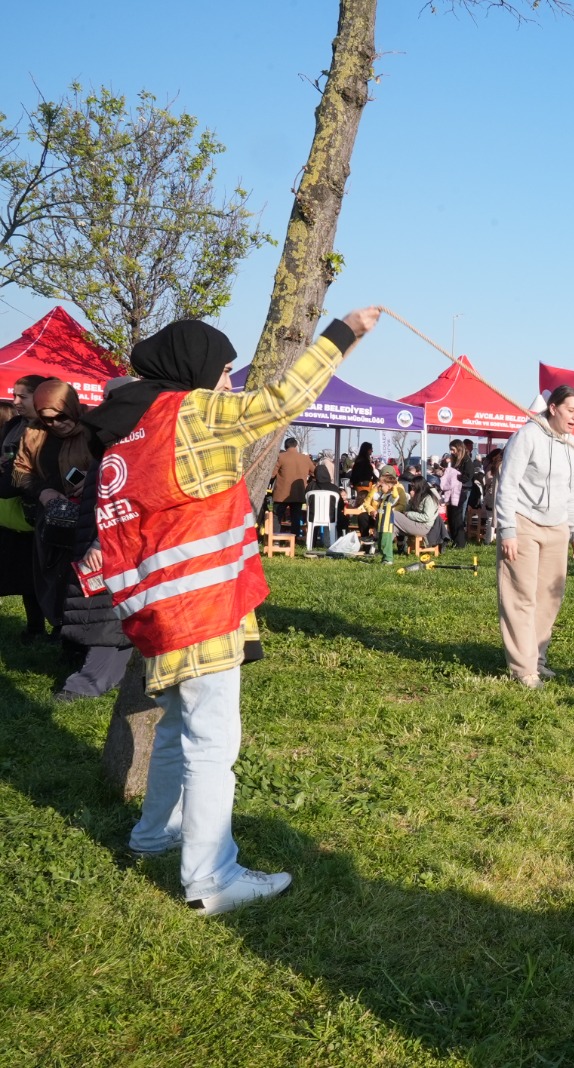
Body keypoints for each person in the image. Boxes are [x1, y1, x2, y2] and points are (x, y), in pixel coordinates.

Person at [82, 307, 382, 916]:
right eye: (223, 371)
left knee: (176, 729)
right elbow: (282, 399)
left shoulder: (131, 429)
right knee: (213, 744)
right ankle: (210, 879)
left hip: (158, 612)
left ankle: (154, 834)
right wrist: (344, 332)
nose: (228, 383)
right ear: (194, 369)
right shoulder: (191, 412)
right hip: (200, 607)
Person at [13, 379, 134, 699]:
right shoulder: (34, 433)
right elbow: (20, 470)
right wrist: (42, 491)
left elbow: (116, 467)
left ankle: (85, 654)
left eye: (61, 416)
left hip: (89, 521)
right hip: (52, 522)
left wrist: (91, 482)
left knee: (84, 587)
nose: (56, 424)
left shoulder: (94, 428)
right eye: (47, 418)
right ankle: (67, 641)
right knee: (54, 583)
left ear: (73, 408)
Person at [495, 385, 574, 687]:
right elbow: (507, 485)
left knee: (550, 597)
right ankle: (523, 669)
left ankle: (537, 659)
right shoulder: (527, 436)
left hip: (558, 527)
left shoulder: (572, 443)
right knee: (521, 596)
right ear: (553, 408)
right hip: (523, 523)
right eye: (571, 410)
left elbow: (572, 492)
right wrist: (507, 530)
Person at [1, 374, 48, 640]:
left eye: (23, 396)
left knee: (46, 575)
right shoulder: (14, 424)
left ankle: (60, 630)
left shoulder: (50, 428)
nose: (16, 401)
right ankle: (35, 628)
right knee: (25, 574)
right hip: (14, 513)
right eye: (14, 395)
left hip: (40, 509)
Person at [270, 436, 316, 536]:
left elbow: (272, 474)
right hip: (298, 493)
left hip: (281, 493)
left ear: (285, 446)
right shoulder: (305, 458)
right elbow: (315, 472)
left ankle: (275, 538)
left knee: (277, 516)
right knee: (296, 517)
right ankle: (294, 538)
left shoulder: (281, 457)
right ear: (296, 446)